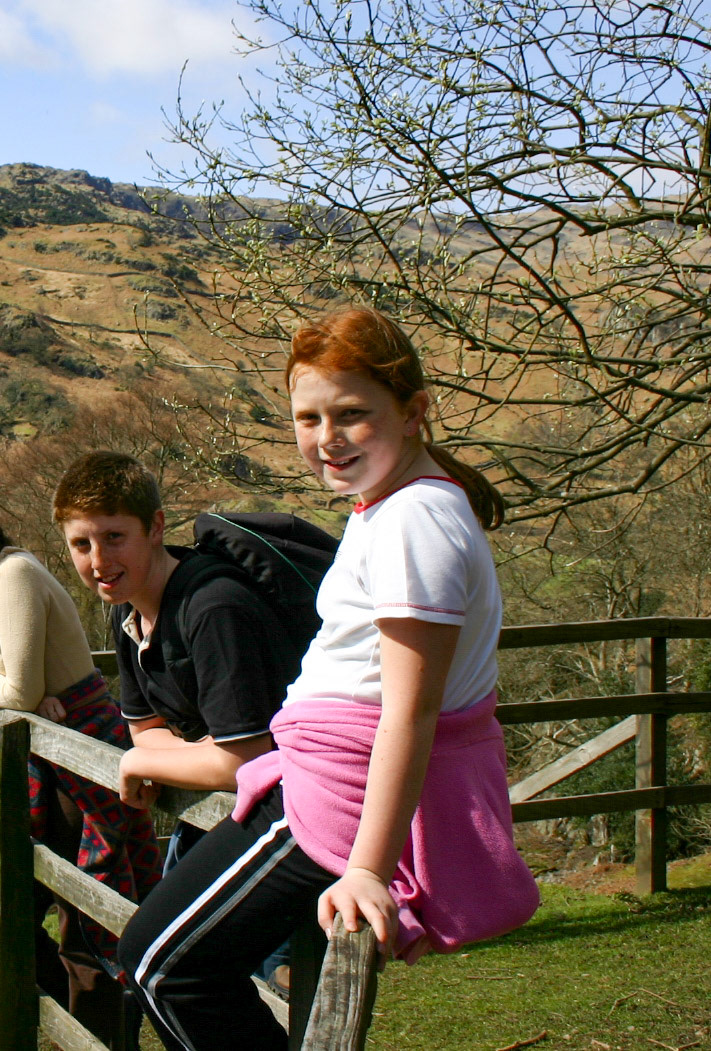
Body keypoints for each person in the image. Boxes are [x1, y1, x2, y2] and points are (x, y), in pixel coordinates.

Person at [114, 307, 540, 1050]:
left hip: (337, 793)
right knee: (165, 959)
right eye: (307, 417)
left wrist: (369, 868)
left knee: (160, 964)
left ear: (412, 413)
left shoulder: (414, 522)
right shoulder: (398, 504)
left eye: (350, 414)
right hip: (321, 770)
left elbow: (410, 711)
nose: (326, 438)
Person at [0, 478, 161, 1046]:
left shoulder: (15, 575)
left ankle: (99, 1036)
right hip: (40, 756)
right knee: (5, 889)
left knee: (90, 908)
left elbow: (18, 690)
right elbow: (22, 692)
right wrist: (10, 691)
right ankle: (49, 1018)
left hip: (81, 751)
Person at [52, 452, 304, 854]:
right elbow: (144, 730)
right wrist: (201, 753)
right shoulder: (128, 610)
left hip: (296, 817)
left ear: (155, 527)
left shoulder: (214, 609)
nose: (98, 561)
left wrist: (141, 763)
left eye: (114, 537)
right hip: (220, 810)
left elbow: (242, 761)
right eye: (82, 544)